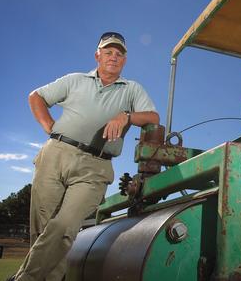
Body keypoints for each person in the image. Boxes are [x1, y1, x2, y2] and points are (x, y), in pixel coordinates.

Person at [10, 32, 159, 281]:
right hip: (56, 153)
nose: (113, 57)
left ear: (124, 60)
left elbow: (153, 118)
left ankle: (24, 278)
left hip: (95, 166)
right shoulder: (75, 79)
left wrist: (127, 117)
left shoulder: (132, 89)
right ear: (97, 55)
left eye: (119, 54)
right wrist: (49, 126)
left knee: (63, 227)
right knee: (42, 230)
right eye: (108, 52)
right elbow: (36, 96)